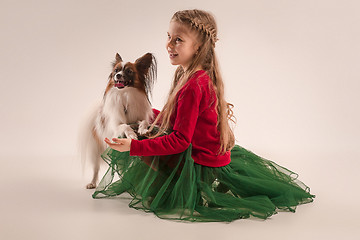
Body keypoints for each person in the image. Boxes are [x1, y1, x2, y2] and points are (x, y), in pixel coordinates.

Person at [94, 9, 315, 222]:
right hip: (198, 149)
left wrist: (134, 148)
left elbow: (180, 141)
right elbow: (176, 118)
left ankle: (179, 183)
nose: (169, 45)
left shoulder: (193, 85)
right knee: (142, 126)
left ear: (198, 45)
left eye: (178, 39)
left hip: (197, 160)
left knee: (139, 142)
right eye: (168, 37)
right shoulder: (188, 73)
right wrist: (149, 117)